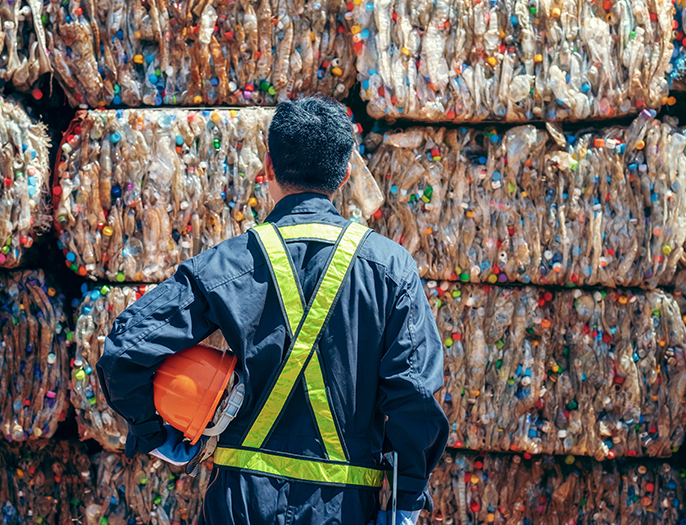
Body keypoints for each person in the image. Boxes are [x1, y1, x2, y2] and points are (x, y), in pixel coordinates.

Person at [96, 95, 449, 525]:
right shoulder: (390, 269)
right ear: (346, 175)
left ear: (267, 167)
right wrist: (405, 503)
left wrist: (157, 434)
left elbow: (123, 352)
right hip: (342, 510)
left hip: (240, 506)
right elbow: (413, 396)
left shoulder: (228, 263)